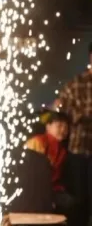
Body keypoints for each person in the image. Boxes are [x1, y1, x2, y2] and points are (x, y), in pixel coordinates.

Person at [54, 42, 92, 226]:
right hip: (79, 148)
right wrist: (81, 114)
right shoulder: (78, 82)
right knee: (79, 198)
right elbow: (60, 105)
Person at [25, 110, 75, 219]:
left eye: (66, 127)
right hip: (34, 189)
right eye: (59, 126)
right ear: (48, 126)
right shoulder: (37, 142)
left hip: (51, 189)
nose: (63, 130)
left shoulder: (62, 150)